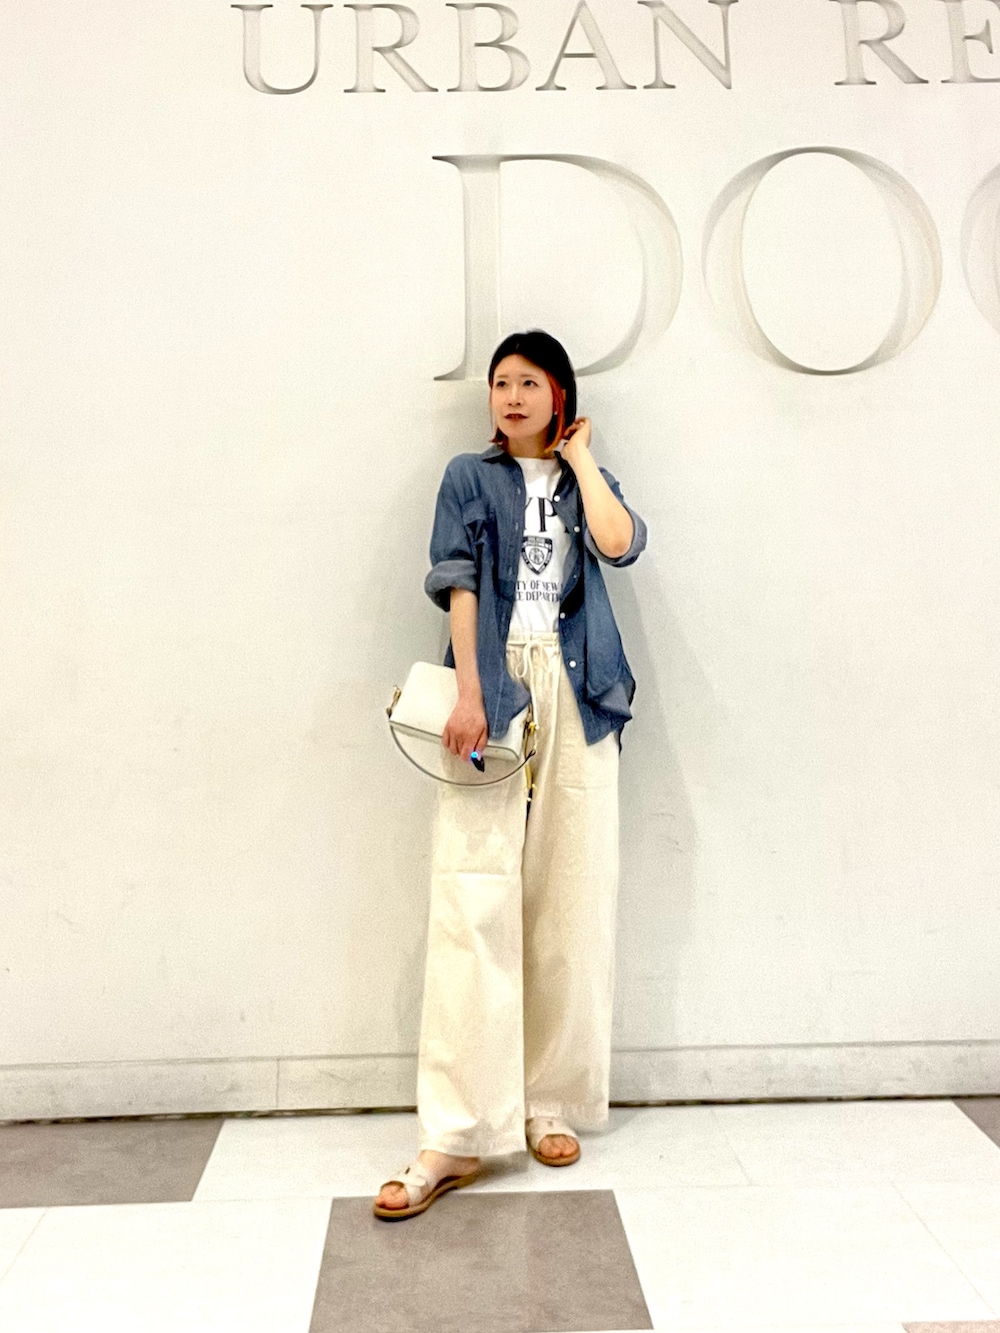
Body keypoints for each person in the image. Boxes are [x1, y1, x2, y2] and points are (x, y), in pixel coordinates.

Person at [374, 329, 647, 1219]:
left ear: (560, 395)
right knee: (471, 896)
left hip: (580, 690)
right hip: (495, 686)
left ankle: (548, 1101)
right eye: (501, 382)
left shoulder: (581, 480)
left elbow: (620, 543)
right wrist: (470, 690)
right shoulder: (468, 476)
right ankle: (455, 1132)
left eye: (531, 382)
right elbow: (458, 581)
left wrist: (583, 458)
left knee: (570, 896)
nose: (513, 395)